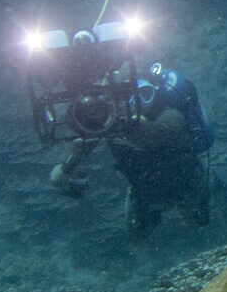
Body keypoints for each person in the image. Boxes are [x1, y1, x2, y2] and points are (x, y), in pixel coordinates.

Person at [25, 20, 215, 236]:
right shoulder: (111, 116)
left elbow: (164, 133)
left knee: (199, 223)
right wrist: (67, 168)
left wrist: (130, 127)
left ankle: (213, 189)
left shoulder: (161, 107)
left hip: (183, 179)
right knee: (139, 235)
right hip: (142, 187)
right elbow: (90, 139)